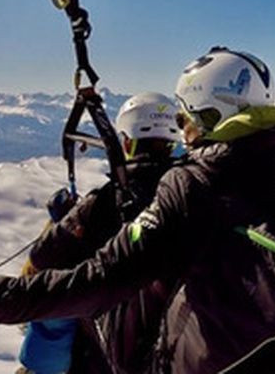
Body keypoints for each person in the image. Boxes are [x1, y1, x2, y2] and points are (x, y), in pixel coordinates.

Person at [0, 45, 275, 373]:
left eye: (187, 117)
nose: (184, 132)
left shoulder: (196, 185)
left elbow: (101, 279)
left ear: (210, 117)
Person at [17, 92, 181, 374]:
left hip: (102, 355)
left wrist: (61, 223)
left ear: (127, 142)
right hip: (174, 348)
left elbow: (42, 260)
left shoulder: (105, 203)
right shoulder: (190, 194)